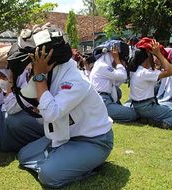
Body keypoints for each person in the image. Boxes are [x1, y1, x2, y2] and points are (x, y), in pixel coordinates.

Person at [12, 26, 113, 187]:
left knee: (48, 175)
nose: (30, 63)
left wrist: (39, 77)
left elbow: (51, 113)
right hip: (65, 136)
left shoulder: (74, 79)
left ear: (45, 59)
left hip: (93, 141)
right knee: (24, 156)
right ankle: (66, 160)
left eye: (32, 58)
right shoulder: (52, 72)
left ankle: (85, 164)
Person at [128, 38, 172, 129]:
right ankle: (160, 122)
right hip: (147, 107)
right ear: (148, 56)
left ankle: (147, 118)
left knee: (167, 109)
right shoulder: (145, 73)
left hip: (138, 106)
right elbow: (170, 71)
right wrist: (159, 54)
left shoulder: (136, 70)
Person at [90, 40, 137, 123]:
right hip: (103, 102)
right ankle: (105, 115)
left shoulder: (101, 64)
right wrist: (117, 59)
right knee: (132, 114)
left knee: (118, 92)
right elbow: (123, 76)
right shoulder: (103, 66)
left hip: (104, 99)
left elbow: (119, 81)